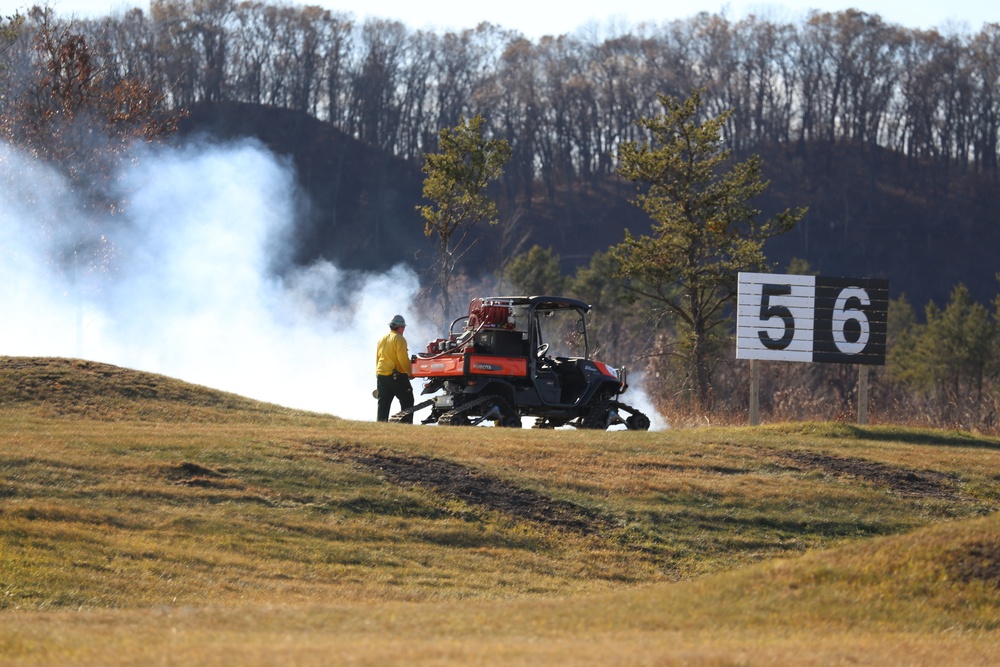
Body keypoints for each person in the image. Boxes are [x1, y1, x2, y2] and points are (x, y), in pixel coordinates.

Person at [375, 314, 414, 422]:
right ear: (400, 327)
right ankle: (406, 425)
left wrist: (377, 374)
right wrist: (410, 373)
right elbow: (403, 359)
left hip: (381, 374)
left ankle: (381, 424)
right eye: (404, 328)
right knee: (407, 400)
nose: (404, 330)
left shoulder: (382, 339)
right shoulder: (400, 339)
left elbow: (377, 357)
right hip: (396, 375)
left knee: (383, 403)